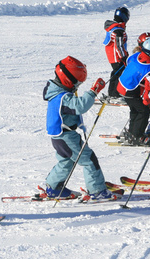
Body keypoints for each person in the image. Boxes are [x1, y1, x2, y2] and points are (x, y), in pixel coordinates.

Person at [43, 56, 121, 201]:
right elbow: (80, 106)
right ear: (68, 80)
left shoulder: (55, 93)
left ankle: (53, 187)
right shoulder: (62, 97)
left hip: (59, 137)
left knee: (66, 161)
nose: (77, 86)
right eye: (76, 82)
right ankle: (97, 191)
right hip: (66, 137)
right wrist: (93, 91)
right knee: (89, 160)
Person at [118, 37, 150, 145]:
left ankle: (132, 132)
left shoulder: (137, 56)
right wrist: (146, 102)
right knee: (144, 111)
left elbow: (129, 60)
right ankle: (138, 136)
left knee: (135, 110)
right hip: (131, 90)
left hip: (122, 86)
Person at [102, 6, 130, 99]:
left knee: (116, 73)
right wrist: (124, 57)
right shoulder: (118, 30)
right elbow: (119, 45)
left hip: (113, 56)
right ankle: (114, 94)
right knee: (119, 73)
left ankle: (112, 93)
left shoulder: (113, 27)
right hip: (117, 56)